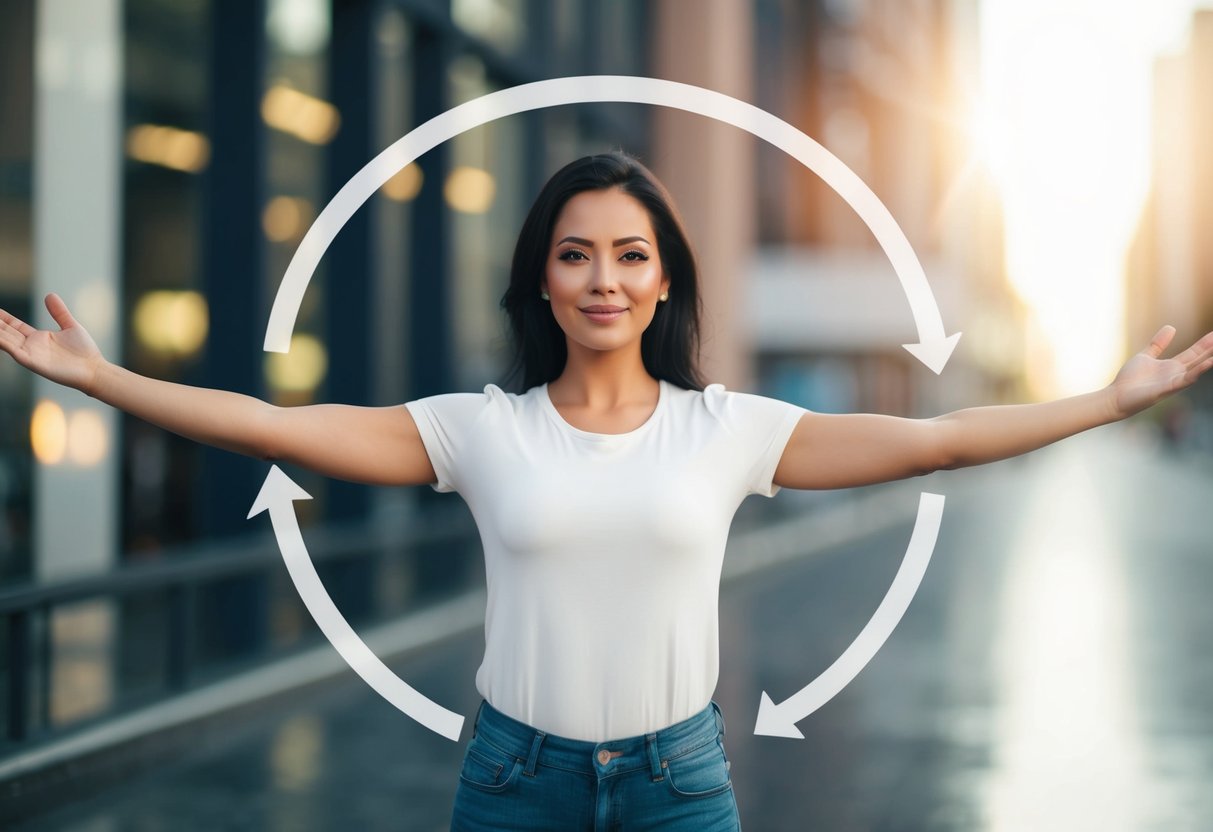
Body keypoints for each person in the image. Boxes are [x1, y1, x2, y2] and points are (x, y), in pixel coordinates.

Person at [1, 151, 1211, 831]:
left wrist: (1107, 401)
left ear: (667, 280)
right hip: (511, 781)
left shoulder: (727, 429)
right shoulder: (480, 431)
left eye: (631, 254)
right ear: (539, 279)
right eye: (575, 253)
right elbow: (277, 423)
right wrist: (105, 380)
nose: (603, 278)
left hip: (679, 785)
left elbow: (939, 442)